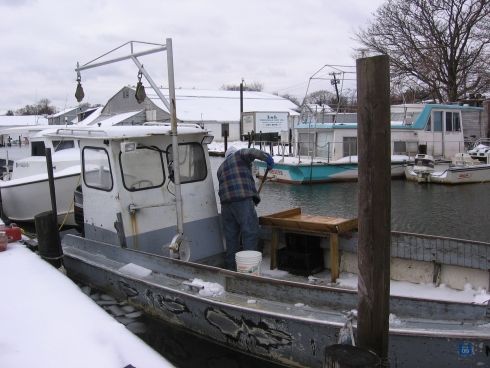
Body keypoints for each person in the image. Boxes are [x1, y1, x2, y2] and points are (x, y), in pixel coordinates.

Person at [217, 146, 274, 270]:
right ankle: (249, 269)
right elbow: (251, 152)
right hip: (242, 201)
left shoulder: (220, 169)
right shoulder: (239, 155)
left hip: (226, 206)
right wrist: (266, 158)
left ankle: (231, 269)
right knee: (250, 233)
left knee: (231, 239)